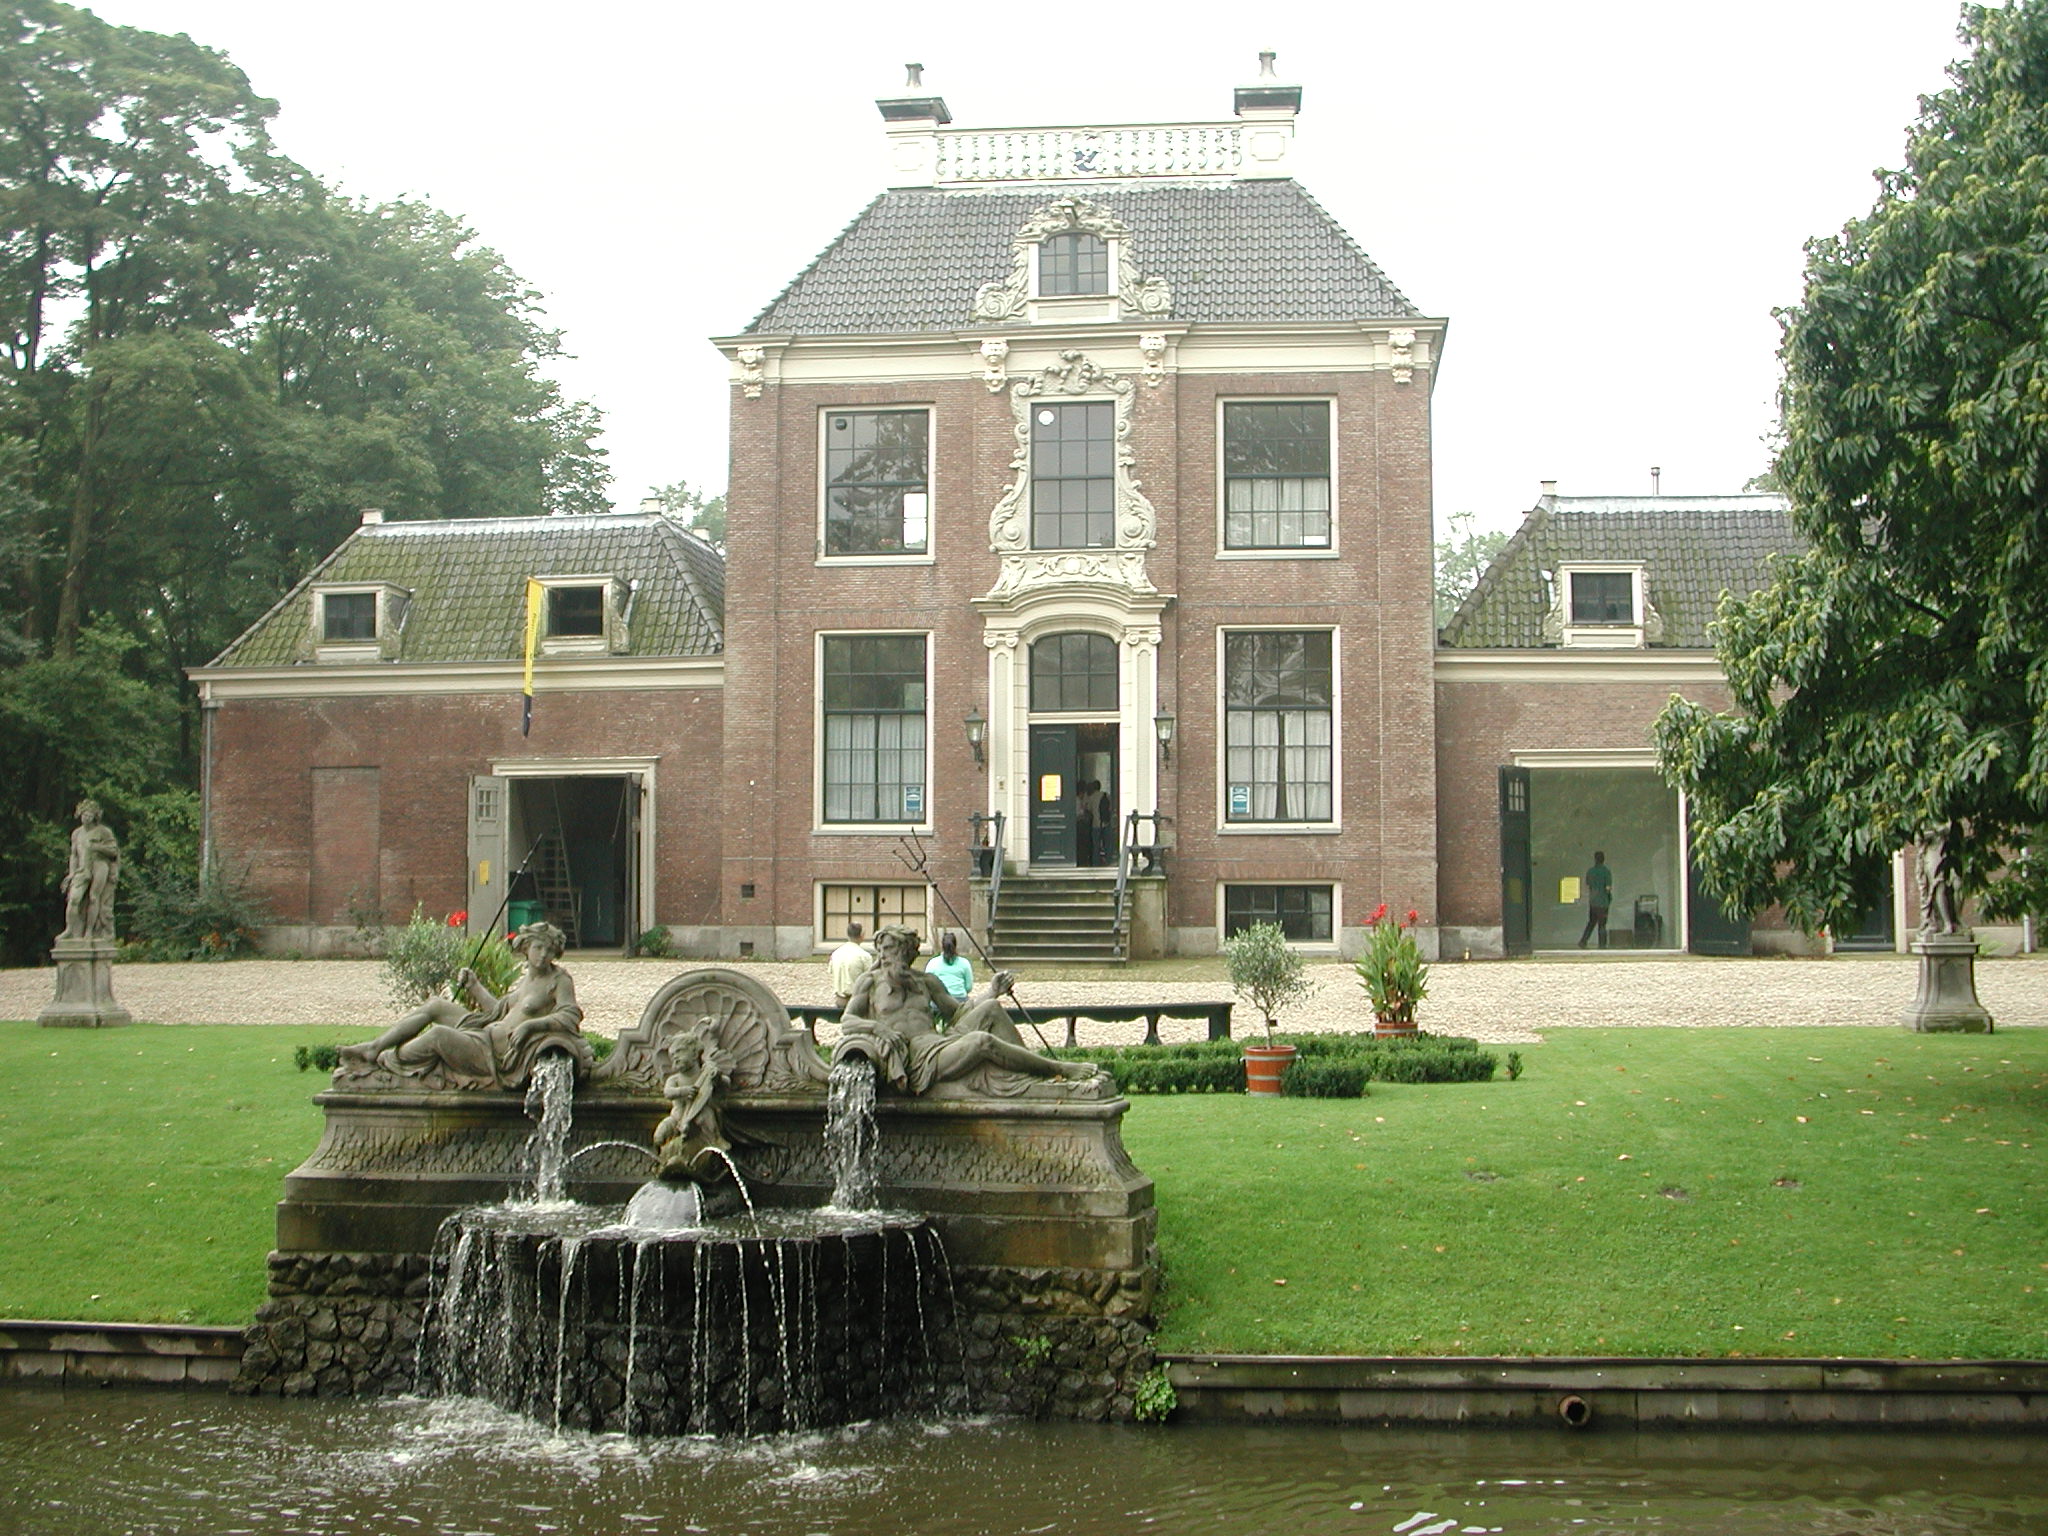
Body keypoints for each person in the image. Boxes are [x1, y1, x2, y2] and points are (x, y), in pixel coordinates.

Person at [834, 923, 1103, 1095]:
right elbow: (848, 1021)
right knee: (980, 1041)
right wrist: (877, 1027)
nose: (882, 956)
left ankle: (1030, 1075)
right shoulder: (870, 982)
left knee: (991, 1008)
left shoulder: (926, 981)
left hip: (937, 1044)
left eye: (889, 949)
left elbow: (959, 1013)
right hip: (915, 1058)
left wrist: (992, 991)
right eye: (880, 950)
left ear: (906, 951)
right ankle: (1057, 1068)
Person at [338, 921, 591, 1088]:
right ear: (525, 948)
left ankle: (387, 1062)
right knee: (437, 1005)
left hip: (497, 1055)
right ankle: (375, 1047)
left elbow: (570, 1016)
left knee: (438, 1035)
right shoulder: (527, 979)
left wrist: (531, 1026)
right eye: (538, 948)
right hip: (486, 1033)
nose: (543, 955)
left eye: (549, 950)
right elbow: (498, 1012)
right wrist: (474, 986)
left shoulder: (559, 980)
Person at [59, 799, 120, 941]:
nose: (86, 818)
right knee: (74, 899)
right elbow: (74, 855)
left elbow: (113, 851)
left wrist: (97, 847)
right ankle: (70, 929)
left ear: (95, 817)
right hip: (82, 868)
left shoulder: (103, 831)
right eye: (84, 815)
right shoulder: (76, 833)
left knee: (94, 897)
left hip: (99, 865)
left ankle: (89, 931)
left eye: (89, 815)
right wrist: (72, 873)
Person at [829, 921, 874, 1006]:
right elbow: (870, 979)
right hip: (858, 1002)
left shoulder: (836, 954)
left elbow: (831, 972)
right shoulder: (864, 956)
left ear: (847, 935)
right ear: (862, 935)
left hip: (840, 1000)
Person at [1578, 850, 1614, 949]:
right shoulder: (1606, 872)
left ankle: (1583, 941)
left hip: (1593, 902)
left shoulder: (1590, 871)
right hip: (1603, 902)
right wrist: (1609, 897)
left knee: (1591, 922)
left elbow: (1587, 885)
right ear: (1603, 859)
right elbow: (1608, 887)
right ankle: (1602, 945)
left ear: (1595, 859)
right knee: (1602, 924)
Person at [925, 930, 974, 1000]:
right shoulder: (964, 963)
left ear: (942, 946)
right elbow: (969, 987)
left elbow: (927, 984)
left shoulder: (933, 963)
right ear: (955, 946)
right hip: (960, 999)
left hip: (940, 1000)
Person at [1075, 779, 1096, 867]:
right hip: (1079, 825)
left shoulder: (1081, 800)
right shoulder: (1077, 801)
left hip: (1081, 825)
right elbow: (1078, 814)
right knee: (1082, 844)